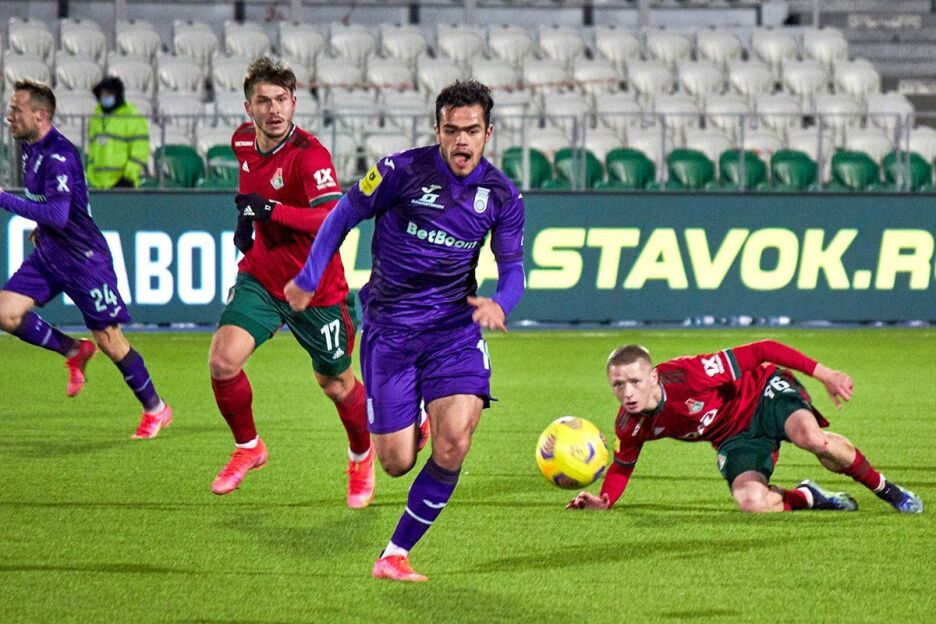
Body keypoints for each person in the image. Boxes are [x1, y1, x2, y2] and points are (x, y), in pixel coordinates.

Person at [284, 80, 527, 582]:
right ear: (437, 130)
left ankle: (394, 554)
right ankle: (414, 416)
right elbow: (342, 216)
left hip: (454, 330)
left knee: (454, 442)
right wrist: (309, 276)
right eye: (452, 130)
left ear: (488, 133)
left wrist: (501, 303)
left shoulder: (502, 195)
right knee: (396, 464)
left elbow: (513, 269)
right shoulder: (400, 171)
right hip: (390, 327)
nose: (461, 140)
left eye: (472, 130)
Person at [208, 58, 374, 506]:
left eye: (282, 99)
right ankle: (249, 447)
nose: (274, 109)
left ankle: (361, 455)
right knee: (223, 361)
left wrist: (269, 211)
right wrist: (246, 219)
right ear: (249, 108)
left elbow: (333, 218)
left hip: (315, 288)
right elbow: (252, 190)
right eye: (264, 101)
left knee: (336, 384)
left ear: (294, 103)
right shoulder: (242, 141)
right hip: (262, 277)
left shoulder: (310, 156)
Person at [567, 340, 924, 515]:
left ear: (653, 376)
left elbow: (764, 349)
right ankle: (809, 497)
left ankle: (886, 489)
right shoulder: (630, 424)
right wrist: (605, 501)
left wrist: (825, 374)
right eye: (618, 385)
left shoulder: (690, 375)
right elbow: (622, 466)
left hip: (762, 393)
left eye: (635, 381)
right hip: (732, 436)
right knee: (751, 502)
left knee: (812, 439)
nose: (627, 393)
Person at [0, 80, 172, 439]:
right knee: (5, 312)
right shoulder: (31, 149)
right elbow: (50, 207)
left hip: (84, 260)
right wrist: (39, 226)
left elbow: (59, 215)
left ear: (40, 114)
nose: (9, 116)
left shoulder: (59, 154)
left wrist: (4, 198)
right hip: (50, 253)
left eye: (16, 110)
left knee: (110, 340)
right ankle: (73, 350)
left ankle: (156, 408)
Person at [86, 76, 149, 189]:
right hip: (97, 184)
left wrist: (128, 177)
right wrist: (90, 176)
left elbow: (140, 150)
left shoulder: (132, 117)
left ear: (117, 95)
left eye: (109, 94)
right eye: (103, 94)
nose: (105, 97)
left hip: (123, 185)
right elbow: (92, 150)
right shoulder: (96, 117)